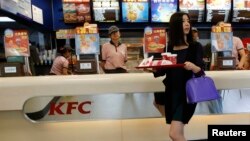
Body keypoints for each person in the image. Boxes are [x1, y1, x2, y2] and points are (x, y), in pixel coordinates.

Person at [153, 12, 204, 141]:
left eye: (188, 21)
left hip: (187, 95)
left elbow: (201, 72)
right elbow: (163, 70)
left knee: (174, 134)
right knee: (177, 133)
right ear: (176, 25)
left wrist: (193, 67)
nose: (187, 24)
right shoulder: (169, 47)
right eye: (183, 21)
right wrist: (151, 68)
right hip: (171, 93)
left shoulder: (195, 47)